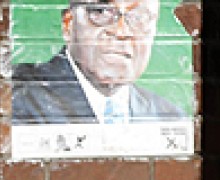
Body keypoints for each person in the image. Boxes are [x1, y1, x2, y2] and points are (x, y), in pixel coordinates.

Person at [11, 0, 186, 124]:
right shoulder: (14, 99)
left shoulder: (169, 118)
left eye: (139, 17)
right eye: (100, 11)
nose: (121, 31)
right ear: (68, 25)